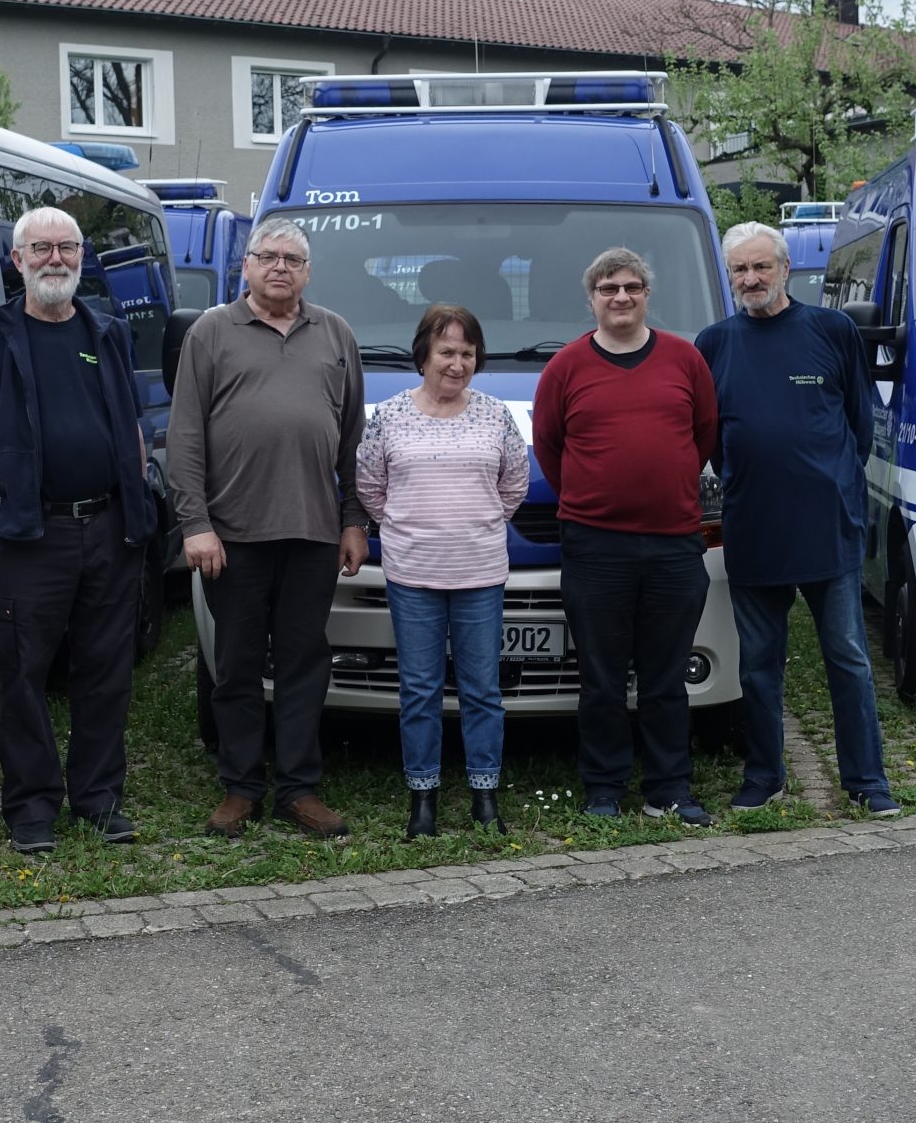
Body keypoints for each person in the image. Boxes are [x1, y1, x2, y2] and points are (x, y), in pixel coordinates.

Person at [0, 206, 160, 854]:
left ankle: (98, 798)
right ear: (17, 260)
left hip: (109, 529)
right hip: (29, 536)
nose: (54, 259)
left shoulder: (108, 331)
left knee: (106, 671)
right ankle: (32, 807)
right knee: (23, 675)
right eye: (40, 248)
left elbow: (129, 426)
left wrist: (135, 502)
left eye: (66, 247)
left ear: (81, 257)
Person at [167, 215, 369, 839]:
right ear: (247, 265)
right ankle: (241, 786)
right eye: (268, 256)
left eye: (293, 259)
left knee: (306, 662)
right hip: (232, 537)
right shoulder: (210, 332)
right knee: (236, 666)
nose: (280, 266)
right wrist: (195, 524)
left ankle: (299, 789)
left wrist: (354, 520)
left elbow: (353, 440)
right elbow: (185, 436)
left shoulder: (336, 333)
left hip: (313, 533)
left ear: (307, 272)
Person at [696, 221, 901, 817]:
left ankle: (867, 781)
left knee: (849, 659)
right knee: (758, 666)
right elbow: (711, 438)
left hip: (827, 528)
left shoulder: (832, 331)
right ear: (729, 276)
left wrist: (831, 484)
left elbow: (859, 426)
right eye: (740, 269)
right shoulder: (714, 344)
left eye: (762, 266)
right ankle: (764, 776)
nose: (751, 278)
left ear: (785, 269)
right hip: (754, 528)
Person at [530, 246, 720, 824]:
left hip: (673, 543)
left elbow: (703, 434)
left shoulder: (685, 359)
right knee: (601, 678)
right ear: (591, 298)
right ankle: (604, 788)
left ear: (646, 295)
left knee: (666, 677)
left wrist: (660, 483)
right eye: (609, 288)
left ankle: (669, 788)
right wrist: (599, 494)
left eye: (632, 287)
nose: (621, 297)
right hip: (595, 545)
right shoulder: (565, 367)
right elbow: (550, 447)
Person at [355, 303, 531, 838]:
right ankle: (423, 799)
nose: (457, 364)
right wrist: (412, 527)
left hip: (479, 574)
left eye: (467, 353)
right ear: (423, 356)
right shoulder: (389, 415)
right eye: (447, 352)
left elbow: (514, 484)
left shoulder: (496, 415)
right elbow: (370, 487)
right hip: (413, 574)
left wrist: (472, 524)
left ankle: (484, 797)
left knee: (482, 690)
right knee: (420, 691)